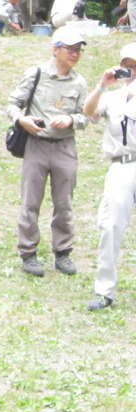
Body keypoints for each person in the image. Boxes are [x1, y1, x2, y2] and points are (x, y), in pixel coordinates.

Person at [6, 26, 89, 278]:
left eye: (78, 49)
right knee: (31, 202)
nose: (75, 54)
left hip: (65, 146)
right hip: (36, 144)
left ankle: (62, 252)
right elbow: (12, 103)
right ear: (55, 50)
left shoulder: (80, 82)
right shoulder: (37, 74)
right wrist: (22, 121)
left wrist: (72, 120)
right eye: (69, 49)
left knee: (64, 203)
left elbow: (87, 114)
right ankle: (28, 253)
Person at [81, 43, 136, 311]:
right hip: (121, 164)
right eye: (128, 65)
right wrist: (103, 84)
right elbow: (89, 110)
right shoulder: (114, 97)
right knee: (111, 225)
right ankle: (105, 290)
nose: (132, 71)